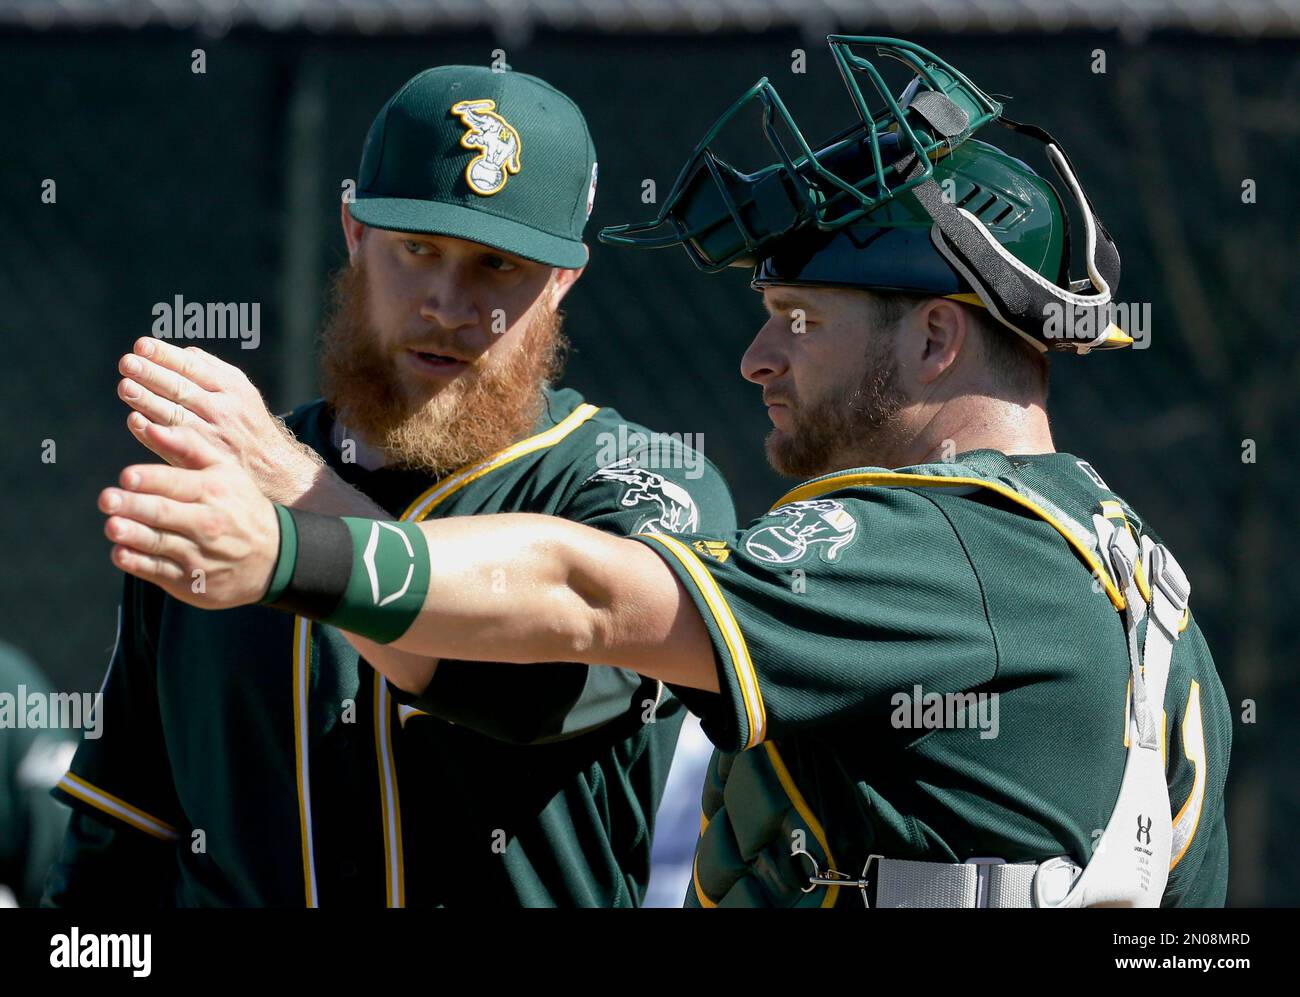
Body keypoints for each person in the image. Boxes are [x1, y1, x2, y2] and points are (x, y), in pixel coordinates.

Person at [96, 38, 1230, 907]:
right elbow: (116, 853)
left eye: (798, 317)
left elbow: (575, 615)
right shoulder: (1125, 567)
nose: (755, 356)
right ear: (352, 235)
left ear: (935, 339)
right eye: (417, 250)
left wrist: (290, 537)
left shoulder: (931, 549)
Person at [47, 65, 734, 907]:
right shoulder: (217, 486)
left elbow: (522, 689)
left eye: (498, 265)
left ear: (563, 282)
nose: (448, 301)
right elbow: (122, 837)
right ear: (355, 235)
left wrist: (295, 496)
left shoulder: (635, 484)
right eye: (419, 249)